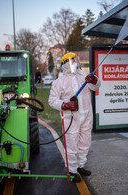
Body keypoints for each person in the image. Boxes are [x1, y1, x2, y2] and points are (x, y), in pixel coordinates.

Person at [48, 52, 101, 183]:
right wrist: (65, 105)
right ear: (64, 65)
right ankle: (72, 170)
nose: (73, 63)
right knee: (72, 145)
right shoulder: (58, 82)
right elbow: (52, 100)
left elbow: (96, 86)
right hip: (70, 118)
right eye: (70, 61)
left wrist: (94, 80)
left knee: (85, 142)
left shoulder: (84, 76)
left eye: (74, 60)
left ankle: (81, 166)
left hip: (86, 115)